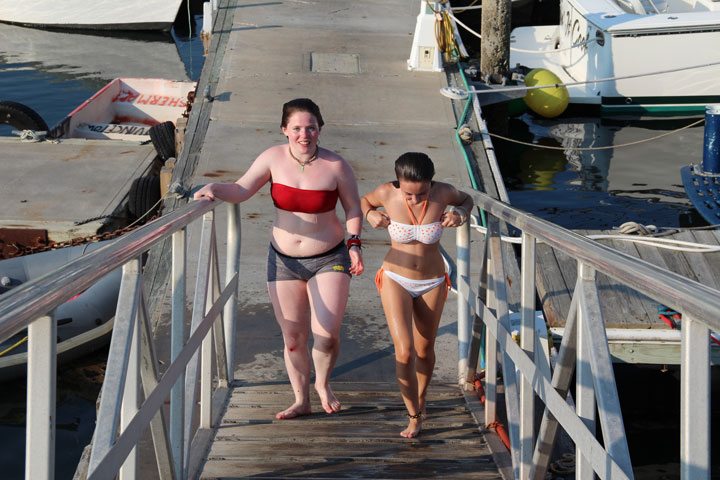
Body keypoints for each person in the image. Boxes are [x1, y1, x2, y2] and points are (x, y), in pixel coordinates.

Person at [193, 98, 364, 419]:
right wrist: (213, 188)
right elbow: (242, 190)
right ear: (285, 130)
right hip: (283, 260)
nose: (304, 134)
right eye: (297, 128)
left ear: (320, 129)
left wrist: (355, 244)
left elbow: (353, 208)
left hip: (329, 257)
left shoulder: (336, 166)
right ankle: (301, 399)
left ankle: (323, 384)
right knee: (294, 339)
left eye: (311, 128)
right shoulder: (272, 158)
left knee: (326, 335)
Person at [361, 152, 473, 438]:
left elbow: (466, 200)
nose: (414, 199)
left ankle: (422, 401)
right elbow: (365, 201)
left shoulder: (443, 193)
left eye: (421, 193)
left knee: (425, 350)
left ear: (431, 184)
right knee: (405, 351)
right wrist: (370, 213)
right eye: (408, 193)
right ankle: (412, 415)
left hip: (433, 281)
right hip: (395, 278)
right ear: (398, 183)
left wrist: (459, 213)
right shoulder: (387, 192)